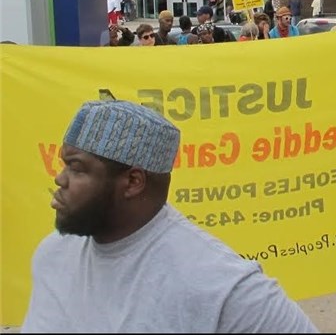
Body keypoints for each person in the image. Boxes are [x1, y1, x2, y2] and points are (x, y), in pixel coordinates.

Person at [22, 100, 318, 332]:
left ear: (133, 182)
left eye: (76, 168)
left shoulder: (221, 288)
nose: (60, 179)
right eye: (64, 165)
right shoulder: (52, 255)